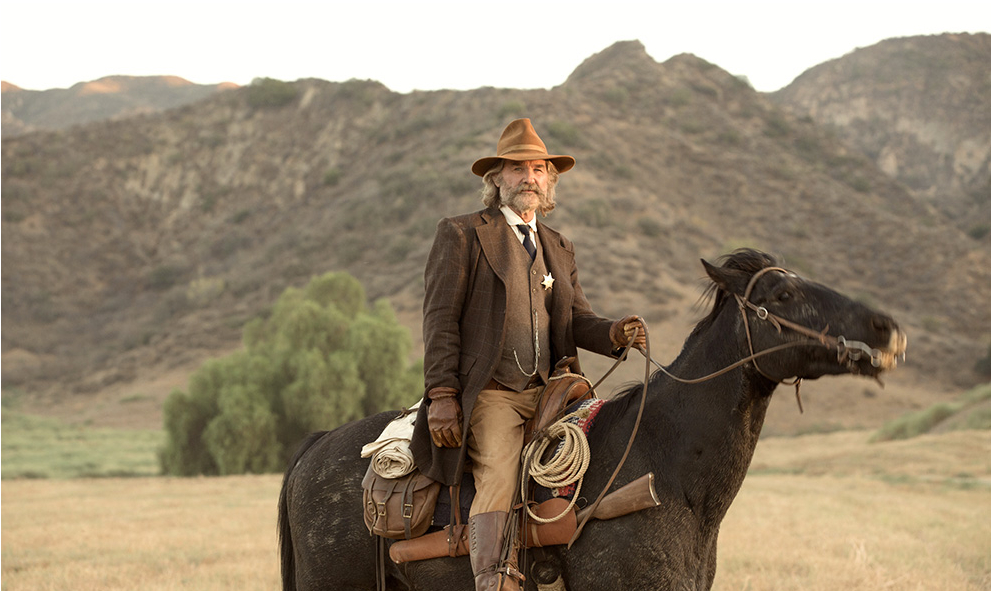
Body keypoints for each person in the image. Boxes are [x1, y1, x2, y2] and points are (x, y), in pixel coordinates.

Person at [409, 118, 645, 591]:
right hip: (493, 394)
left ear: (549, 180)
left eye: (538, 169)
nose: (529, 178)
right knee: (499, 473)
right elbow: (440, 320)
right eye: (518, 168)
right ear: (496, 177)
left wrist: (614, 333)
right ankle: (493, 580)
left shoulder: (559, 246)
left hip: (554, 392)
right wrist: (442, 394)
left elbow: (576, 319)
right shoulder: (462, 234)